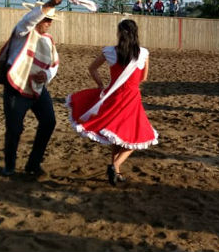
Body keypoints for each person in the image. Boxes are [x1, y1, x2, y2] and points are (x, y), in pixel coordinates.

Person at [66, 19, 158, 186]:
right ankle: (115, 165)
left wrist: (100, 84)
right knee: (138, 136)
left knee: (116, 134)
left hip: (113, 95)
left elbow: (92, 68)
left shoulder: (110, 51)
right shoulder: (143, 53)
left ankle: (116, 172)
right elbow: (144, 78)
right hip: (131, 98)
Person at [0, 0, 64, 177]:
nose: (49, 23)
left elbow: (54, 64)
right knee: (14, 128)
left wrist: (46, 75)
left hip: (37, 88)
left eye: (50, 20)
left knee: (49, 122)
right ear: (38, 18)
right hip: (17, 86)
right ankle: (10, 166)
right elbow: (29, 19)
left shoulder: (48, 40)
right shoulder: (23, 31)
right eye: (46, 19)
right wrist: (51, 3)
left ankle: (33, 164)